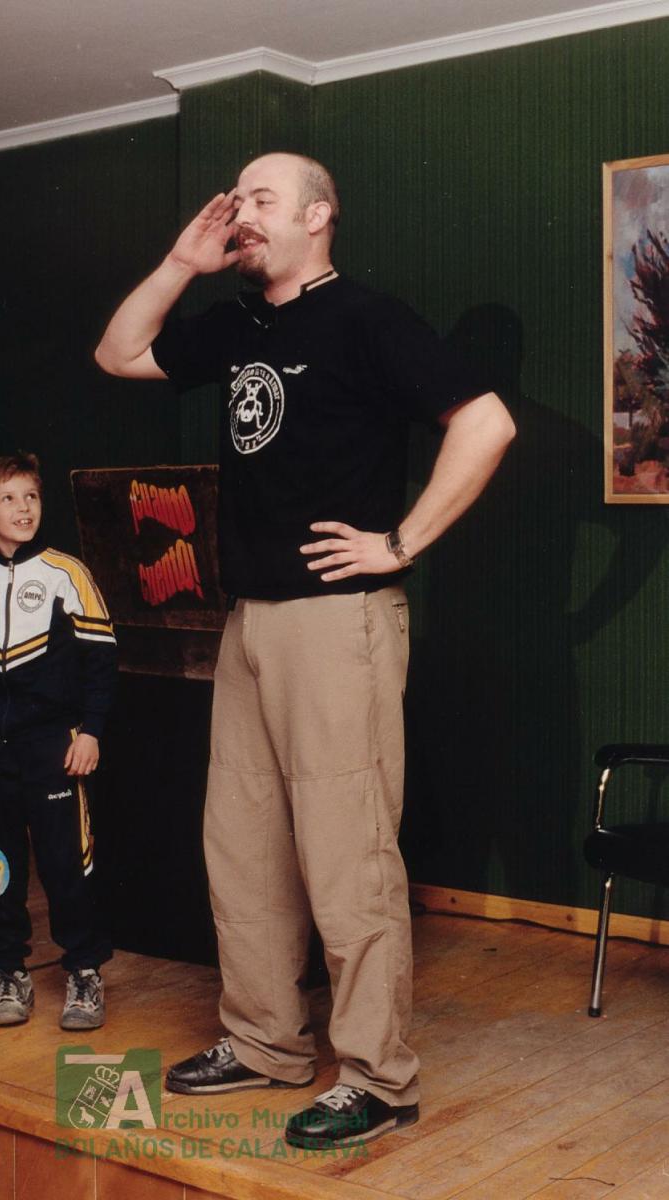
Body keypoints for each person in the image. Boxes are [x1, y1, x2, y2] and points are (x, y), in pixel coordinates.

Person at [95, 152, 515, 1149]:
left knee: (345, 855)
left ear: (319, 216)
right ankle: (265, 1041)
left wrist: (400, 542)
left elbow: (487, 422)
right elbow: (119, 353)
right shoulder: (240, 323)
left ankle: (377, 1076)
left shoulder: (367, 319)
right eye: (236, 199)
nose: (241, 214)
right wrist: (182, 261)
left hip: (338, 622)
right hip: (249, 620)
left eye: (262, 200)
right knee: (242, 848)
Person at [0, 453, 117, 1030]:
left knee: (66, 863)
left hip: (54, 746)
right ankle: (9, 970)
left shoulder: (67, 574)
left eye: (31, 496)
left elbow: (101, 663)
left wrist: (90, 731)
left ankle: (83, 972)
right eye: (8, 499)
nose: (23, 508)